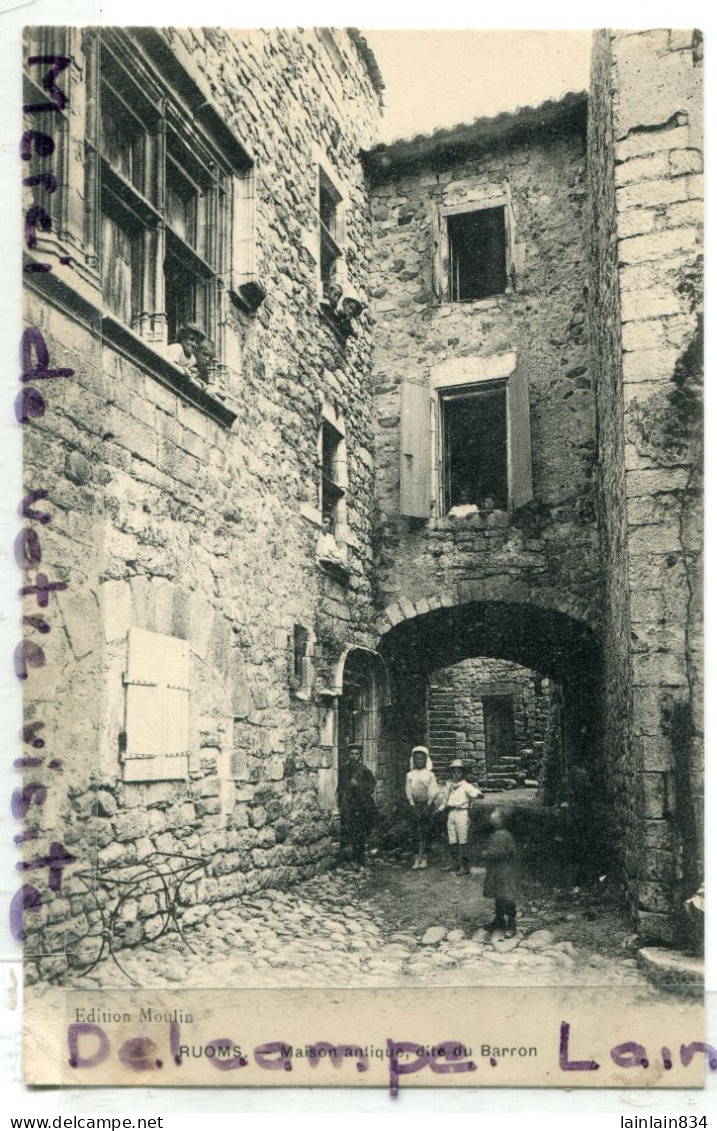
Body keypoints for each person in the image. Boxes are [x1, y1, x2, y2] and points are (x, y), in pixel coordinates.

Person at [437, 759, 483, 874]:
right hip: (451, 813)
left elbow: (475, 793)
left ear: (463, 773)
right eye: (453, 772)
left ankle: (464, 866)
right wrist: (438, 810)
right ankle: (454, 864)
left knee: (463, 840)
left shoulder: (467, 786)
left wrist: (479, 794)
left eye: (458, 772)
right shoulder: (449, 786)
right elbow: (445, 802)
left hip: (462, 813)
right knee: (452, 839)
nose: (456, 775)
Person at [337, 744, 377, 868]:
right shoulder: (343, 770)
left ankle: (360, 857)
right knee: (347, 830)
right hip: (347, 805)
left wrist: (358, 785)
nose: (354, 756)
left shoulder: (365, 770)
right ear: (348, 755)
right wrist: (340, 803)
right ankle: (347, 859)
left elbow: (371, 788)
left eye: (356, 754)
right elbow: (340, 787)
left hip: (361, 806)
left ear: (360, 756)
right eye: (352, 754)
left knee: (360, 831)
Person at [482, 807, 519, 938]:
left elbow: (505, 852)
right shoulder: (496, 834)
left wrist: (488, 853)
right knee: (498, 894)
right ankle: (499, 920)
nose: (492, 820)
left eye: (495, 818)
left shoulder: (505, 835)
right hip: (496, 869)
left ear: (502, 820)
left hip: (505, 870)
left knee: (507, 896)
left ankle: (511, 924)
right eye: (492, 818)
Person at [405, 745, 439, 870]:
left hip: (426, 805)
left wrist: (429, 804)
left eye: (421, 759)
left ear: (426, 760)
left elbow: (432, 791)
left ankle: (424, 856)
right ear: (413, 760)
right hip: (414, 805)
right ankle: (416, 857)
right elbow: (408, 791)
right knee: (415, 830)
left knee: (425, 830)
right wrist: (412, 804)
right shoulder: (410, 774)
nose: (419, 761)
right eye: (417, 759)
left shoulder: (429, 775)